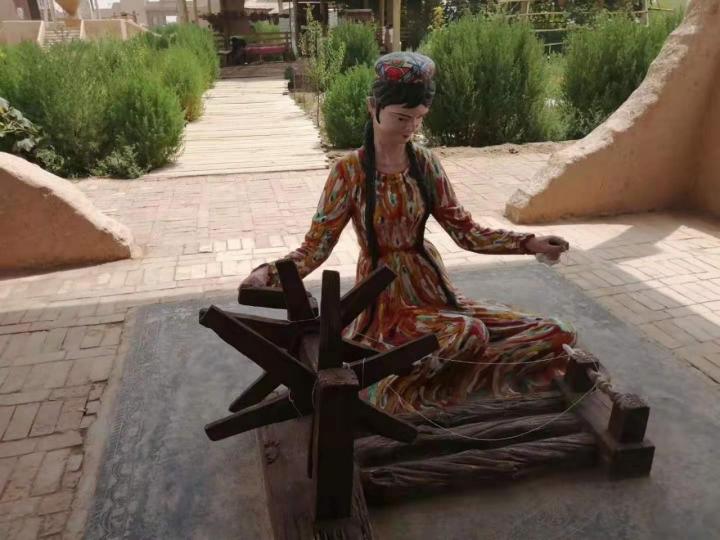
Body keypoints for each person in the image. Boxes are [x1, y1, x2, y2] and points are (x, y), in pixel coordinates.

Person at [240, 52, 576, 413]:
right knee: (468, 333)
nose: (411, 128)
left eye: (419, 118)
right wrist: (268, 273)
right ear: (373, 107)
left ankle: (462, 375)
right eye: (402, 117)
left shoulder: (425, 163)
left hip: (434, 290)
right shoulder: (349, 172)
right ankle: (389, 388)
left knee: (556, 331)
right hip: (386, 301)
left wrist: (529, 243)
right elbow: (315, 247)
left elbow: (465, 231)